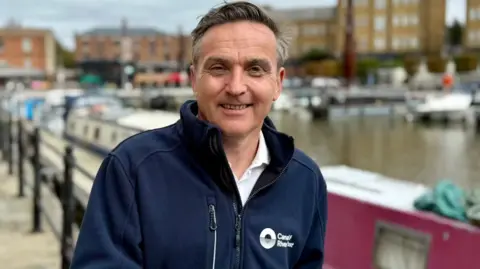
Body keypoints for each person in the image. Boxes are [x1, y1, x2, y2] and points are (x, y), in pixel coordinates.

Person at [70, 2, 328, 268]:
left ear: (278, 83)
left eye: (255, 69)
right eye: (219, 68)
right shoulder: (133, 168)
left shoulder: (305, 180)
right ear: (194, 79)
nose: (236, 87)